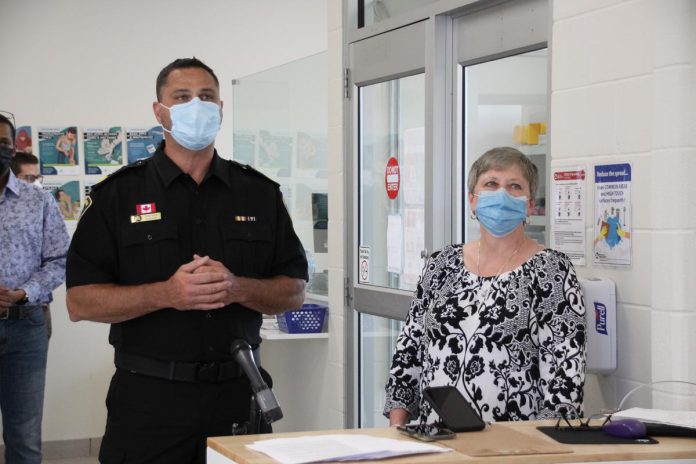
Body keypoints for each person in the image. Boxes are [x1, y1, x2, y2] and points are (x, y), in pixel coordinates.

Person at [65, 58, 308, 464]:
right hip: (148, 401)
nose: (197, 105)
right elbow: (80, 302)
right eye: (182, 97)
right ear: (159, 111)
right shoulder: (116, 196)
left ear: (220, 109)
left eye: (207, 96)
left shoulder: (259, 194)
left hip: (238, 395)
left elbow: (295, 290)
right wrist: (167, 294)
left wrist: (237, 287)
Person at [384, 147, 586, 428]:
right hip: (436, 439)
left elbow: (565, 378)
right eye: (491, 184)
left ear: (529, 205)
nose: (502, 194)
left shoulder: (552, 270)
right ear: (472, 200)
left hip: (516, 448)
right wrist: (398, 428)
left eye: (514, 186)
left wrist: (541, 451)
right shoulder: (441, 264)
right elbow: (408, 350)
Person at [0, 113, 70, 464]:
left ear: (13, 148)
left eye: (4, 144)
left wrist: (22, 291)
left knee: (24, 437)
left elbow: (60, 259)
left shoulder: (37, 200)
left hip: (25, 325)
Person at [10, 152, 53, 339]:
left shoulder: (44, 207)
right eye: (29, 178)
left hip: (34, 310)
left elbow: (57, 259)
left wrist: (27, 291)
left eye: (37, 178)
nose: (35, 183)